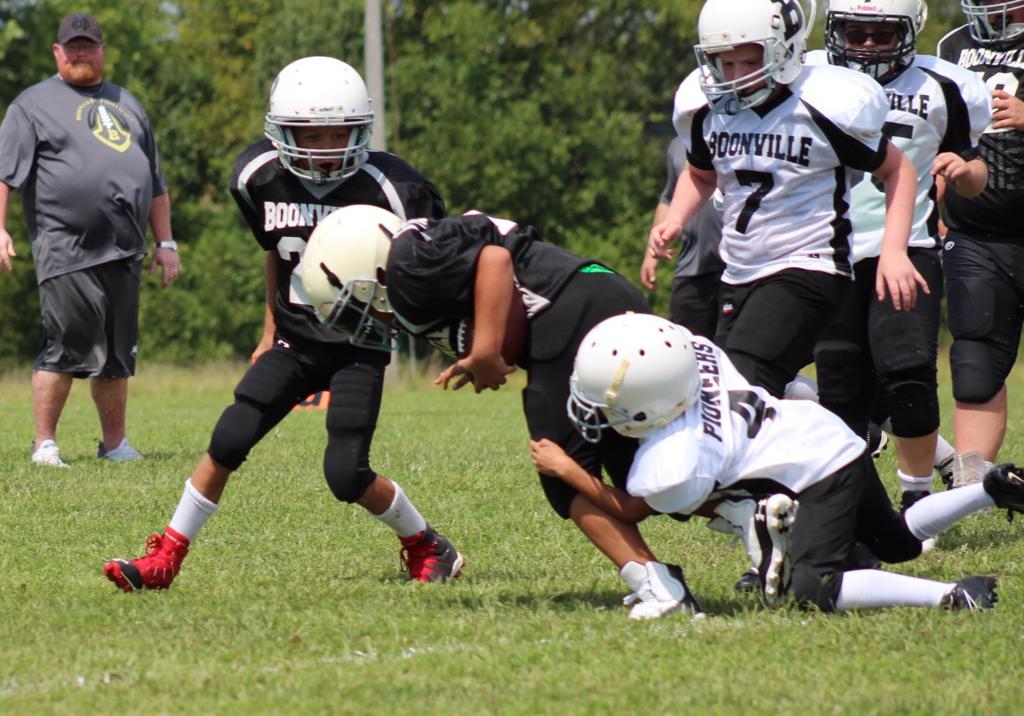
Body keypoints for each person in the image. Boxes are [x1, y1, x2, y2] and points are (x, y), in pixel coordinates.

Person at [102, 57, 462, 592]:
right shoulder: (258, 177)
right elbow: (279, 252)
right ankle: (166, 558)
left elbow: (423, 271)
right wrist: (269, 329)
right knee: (230, 434)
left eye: (336, 133)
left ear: (359, 128)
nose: (323, 148)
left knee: (345, 474)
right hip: (295, 338)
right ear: (282, 132)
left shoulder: (395, 187)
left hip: (360, 342)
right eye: (308, 135)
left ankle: (427, 544)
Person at [299, 206, 704, 620]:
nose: (364, 323)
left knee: (561, 474)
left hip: (568, 317)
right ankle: (749, 513)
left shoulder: (407, 265)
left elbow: (494, 260)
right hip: (599, 292)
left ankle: (657, 586)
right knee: (645, 465)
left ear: (368, 273)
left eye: (353, 309)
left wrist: (486, 353)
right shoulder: (419, 249)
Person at [532, 312, 1024, 613]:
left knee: (814, 588)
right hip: (829, 436)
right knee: (896, 542)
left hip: (816, 476)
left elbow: (632, 509)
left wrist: (568, 469)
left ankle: (951, 596)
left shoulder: (671, 460)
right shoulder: (698, 356)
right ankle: (992, 488)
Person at [648, 0, 921, 401]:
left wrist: (894, 250)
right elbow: (701, 175)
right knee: (731, 387)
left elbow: (899, 170)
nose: (735, 76)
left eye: (746, 62)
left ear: (783, 51)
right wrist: (675, 219)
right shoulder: (708, 110)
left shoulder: (819, 106)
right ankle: (816, 417)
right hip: (738, 270)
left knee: (743, 383)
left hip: (807, 264)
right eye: (725, 64)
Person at [807, 0, 991, 510]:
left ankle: (917, 501)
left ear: (910, 31)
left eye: (880, 34)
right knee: (840, 385)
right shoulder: (806, 76)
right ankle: (846, 505)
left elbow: (975, 179)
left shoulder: (943, 86)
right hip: (826, 251)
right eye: (854, 31)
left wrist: (964, 172)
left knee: (908, 373)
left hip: (908, 248)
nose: (865, 44)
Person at [0, 13, 182, 467]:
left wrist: (167, 243)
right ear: (57, 52)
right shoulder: (32, 104)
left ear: (102, 50)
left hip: (125, 248)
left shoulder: (128, 103)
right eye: (73, 46)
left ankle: (114, 444)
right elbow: (4, 175)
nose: (82, 52)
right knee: (65, 344)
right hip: (66, 248)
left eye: (90, 45)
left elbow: (156, 184)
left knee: (117, 354)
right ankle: (45, 445)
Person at [936, 0, 1024, 472]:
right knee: (975, 361)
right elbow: (935, 134)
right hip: (976, 231)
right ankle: (969, 491)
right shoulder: (953, 46)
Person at [639, 137, 724, 337]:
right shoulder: (678, 144)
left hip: (737, 265)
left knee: (734, 348)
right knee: (687, 343)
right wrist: (650, 255)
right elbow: (668, 198)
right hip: (692, 266)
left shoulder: (734, 134)